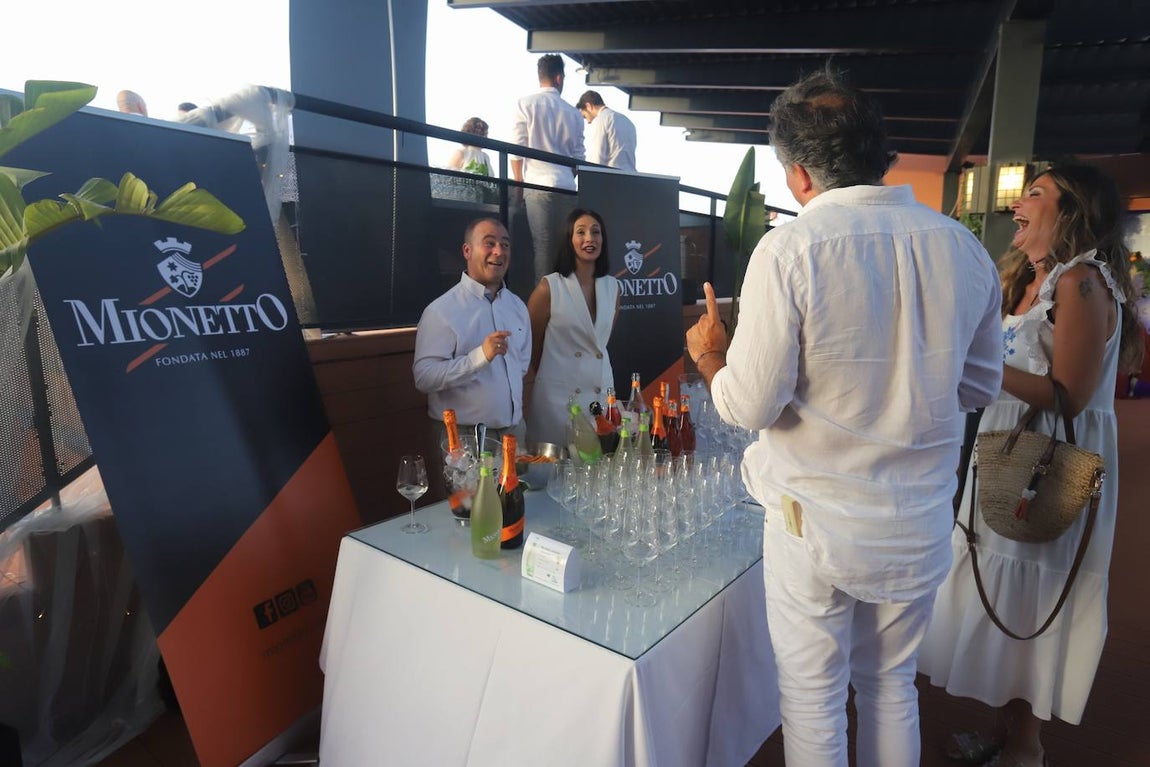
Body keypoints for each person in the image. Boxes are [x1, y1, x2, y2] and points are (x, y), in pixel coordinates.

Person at [684, 69, 1003, 767]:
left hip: (814, 524)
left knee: (812, 697)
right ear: (879, 153)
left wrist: (712, 358)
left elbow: (750, 404)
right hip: (918, 518)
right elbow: (980, 385)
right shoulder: (966, 251)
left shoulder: (791, 249)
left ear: (799, 175)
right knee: (891, 686)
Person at [918, 163, 1144, 767]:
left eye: (1036, 193)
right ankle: (1007, 732)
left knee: (1032, 600)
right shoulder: (1035, 277)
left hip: (1049, 461)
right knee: (1004, 593)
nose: (1019, 202)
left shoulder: (1082, 282)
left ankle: (1025, 748)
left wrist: (977, 365)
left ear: (1071, 212)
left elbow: (1069, 394)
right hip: (1009, 449)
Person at [413, 218, 531, 450]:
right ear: (467, 251)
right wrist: (479, 358)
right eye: (489, 243)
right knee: (468, 490)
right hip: (464, 437)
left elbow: (521, 365)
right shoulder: (442, 310)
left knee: (521, 488)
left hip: (514, 432)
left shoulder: (517, 306)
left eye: (505, 245)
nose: (498, 251)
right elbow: (424, 377)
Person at [526, 208, 620, 446]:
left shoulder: (614, 287)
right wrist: (554, 377)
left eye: (596, 232)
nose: (589, 238)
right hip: (558, 401)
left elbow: (600, 341)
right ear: (570, 240)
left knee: (599, 472)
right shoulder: (550, 287)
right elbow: (531, 345)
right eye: (581, 232)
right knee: (556, 475)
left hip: (600, 396)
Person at [511, 54, 585, 284]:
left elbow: (516, 150)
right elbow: (578, 159)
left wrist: (518, 185)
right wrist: (565, 174)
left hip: (537, 185)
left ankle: (541, 310)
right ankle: (567, 305)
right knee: (566, 249)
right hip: (566, 187)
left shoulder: (525, 103)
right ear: (559, 78)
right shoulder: (574, 113)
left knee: (542, 247)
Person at [575, 90, 637, 172]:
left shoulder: (600, 120)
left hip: (611, 177)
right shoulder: (627, 121)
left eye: (585, 116)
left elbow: (597, 157)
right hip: (630, 175)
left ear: (589, 106)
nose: (588, 122)